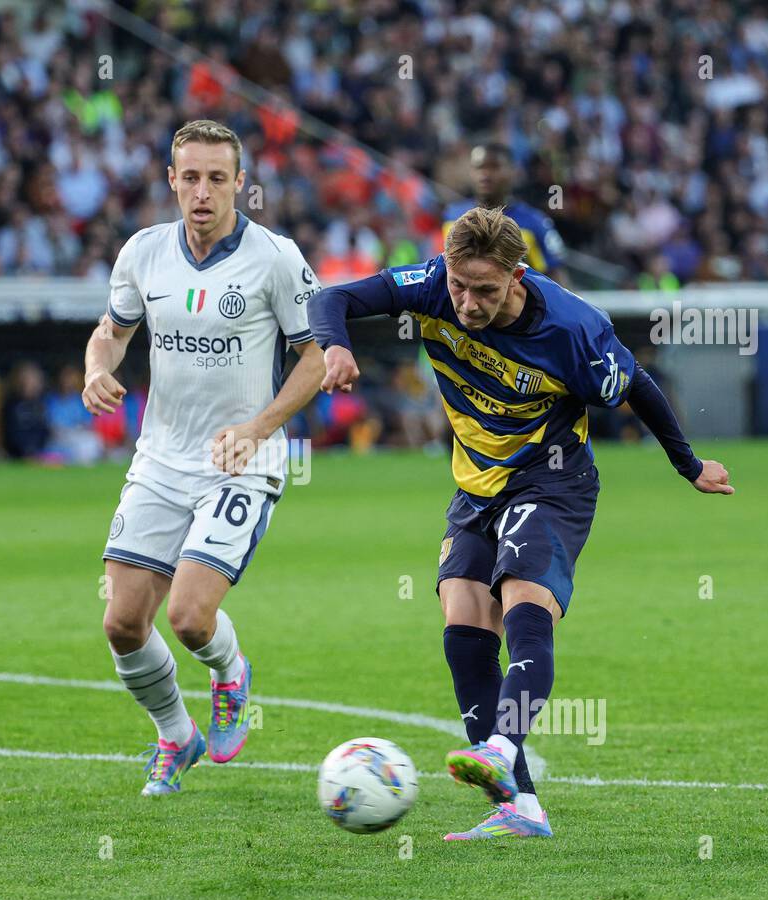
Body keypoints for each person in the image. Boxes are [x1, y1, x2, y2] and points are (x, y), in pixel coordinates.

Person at [309, 207, 732, 839]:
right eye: (459, 286)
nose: (468, 303)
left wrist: (687, 463)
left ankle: (502, 749)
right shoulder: (431, 284)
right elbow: (332, 298)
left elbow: (636, 382)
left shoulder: (572, 329)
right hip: (476, 484)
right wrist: (336, 346)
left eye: (484, 288)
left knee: (522, 602)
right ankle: (521, 807)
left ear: (517, 275)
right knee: (462, 623)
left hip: (553, 481)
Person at [83, 120, 325, 795]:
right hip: (160, 460)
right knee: (122, 621)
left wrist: (258, 426)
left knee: (189, 616)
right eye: (190, 177)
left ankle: (229, 672)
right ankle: (175, 734)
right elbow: (110, 333)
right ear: (171, 180)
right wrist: (94, 368)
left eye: (218, 178)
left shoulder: (275, 258)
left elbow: (315, 359)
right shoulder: (143, 252)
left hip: (241, 462)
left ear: (241, 185)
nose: (202, 191)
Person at [444, 141, 569, 285]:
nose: (485, 174)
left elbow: (557, 278)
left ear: (513, 171)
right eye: (479, 167)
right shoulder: (451, 216)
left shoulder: (536, 222)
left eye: (494, 167)